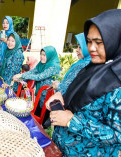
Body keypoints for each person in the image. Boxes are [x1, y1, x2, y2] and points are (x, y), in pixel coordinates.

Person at [46, 9, 121, 156]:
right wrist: (61, 95)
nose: (91, 48)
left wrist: (71, 121)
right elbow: (75, 91)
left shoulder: (118, 84)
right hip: (60, 149)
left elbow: (117, 136)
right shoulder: (92, 67)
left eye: (99, 42)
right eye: (89, 41)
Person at [13, 46, 60, 125]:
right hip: (39, 94)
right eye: (41, 54)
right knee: (37, 114)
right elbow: (32, 72)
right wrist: (20, 75)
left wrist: (22, 76)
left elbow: (39, 76)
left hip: (47, 95)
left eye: (44, 55)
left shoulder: (54, 67)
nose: (42, 57)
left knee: (44, 117)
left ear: (50, 56)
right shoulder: (41, 64)